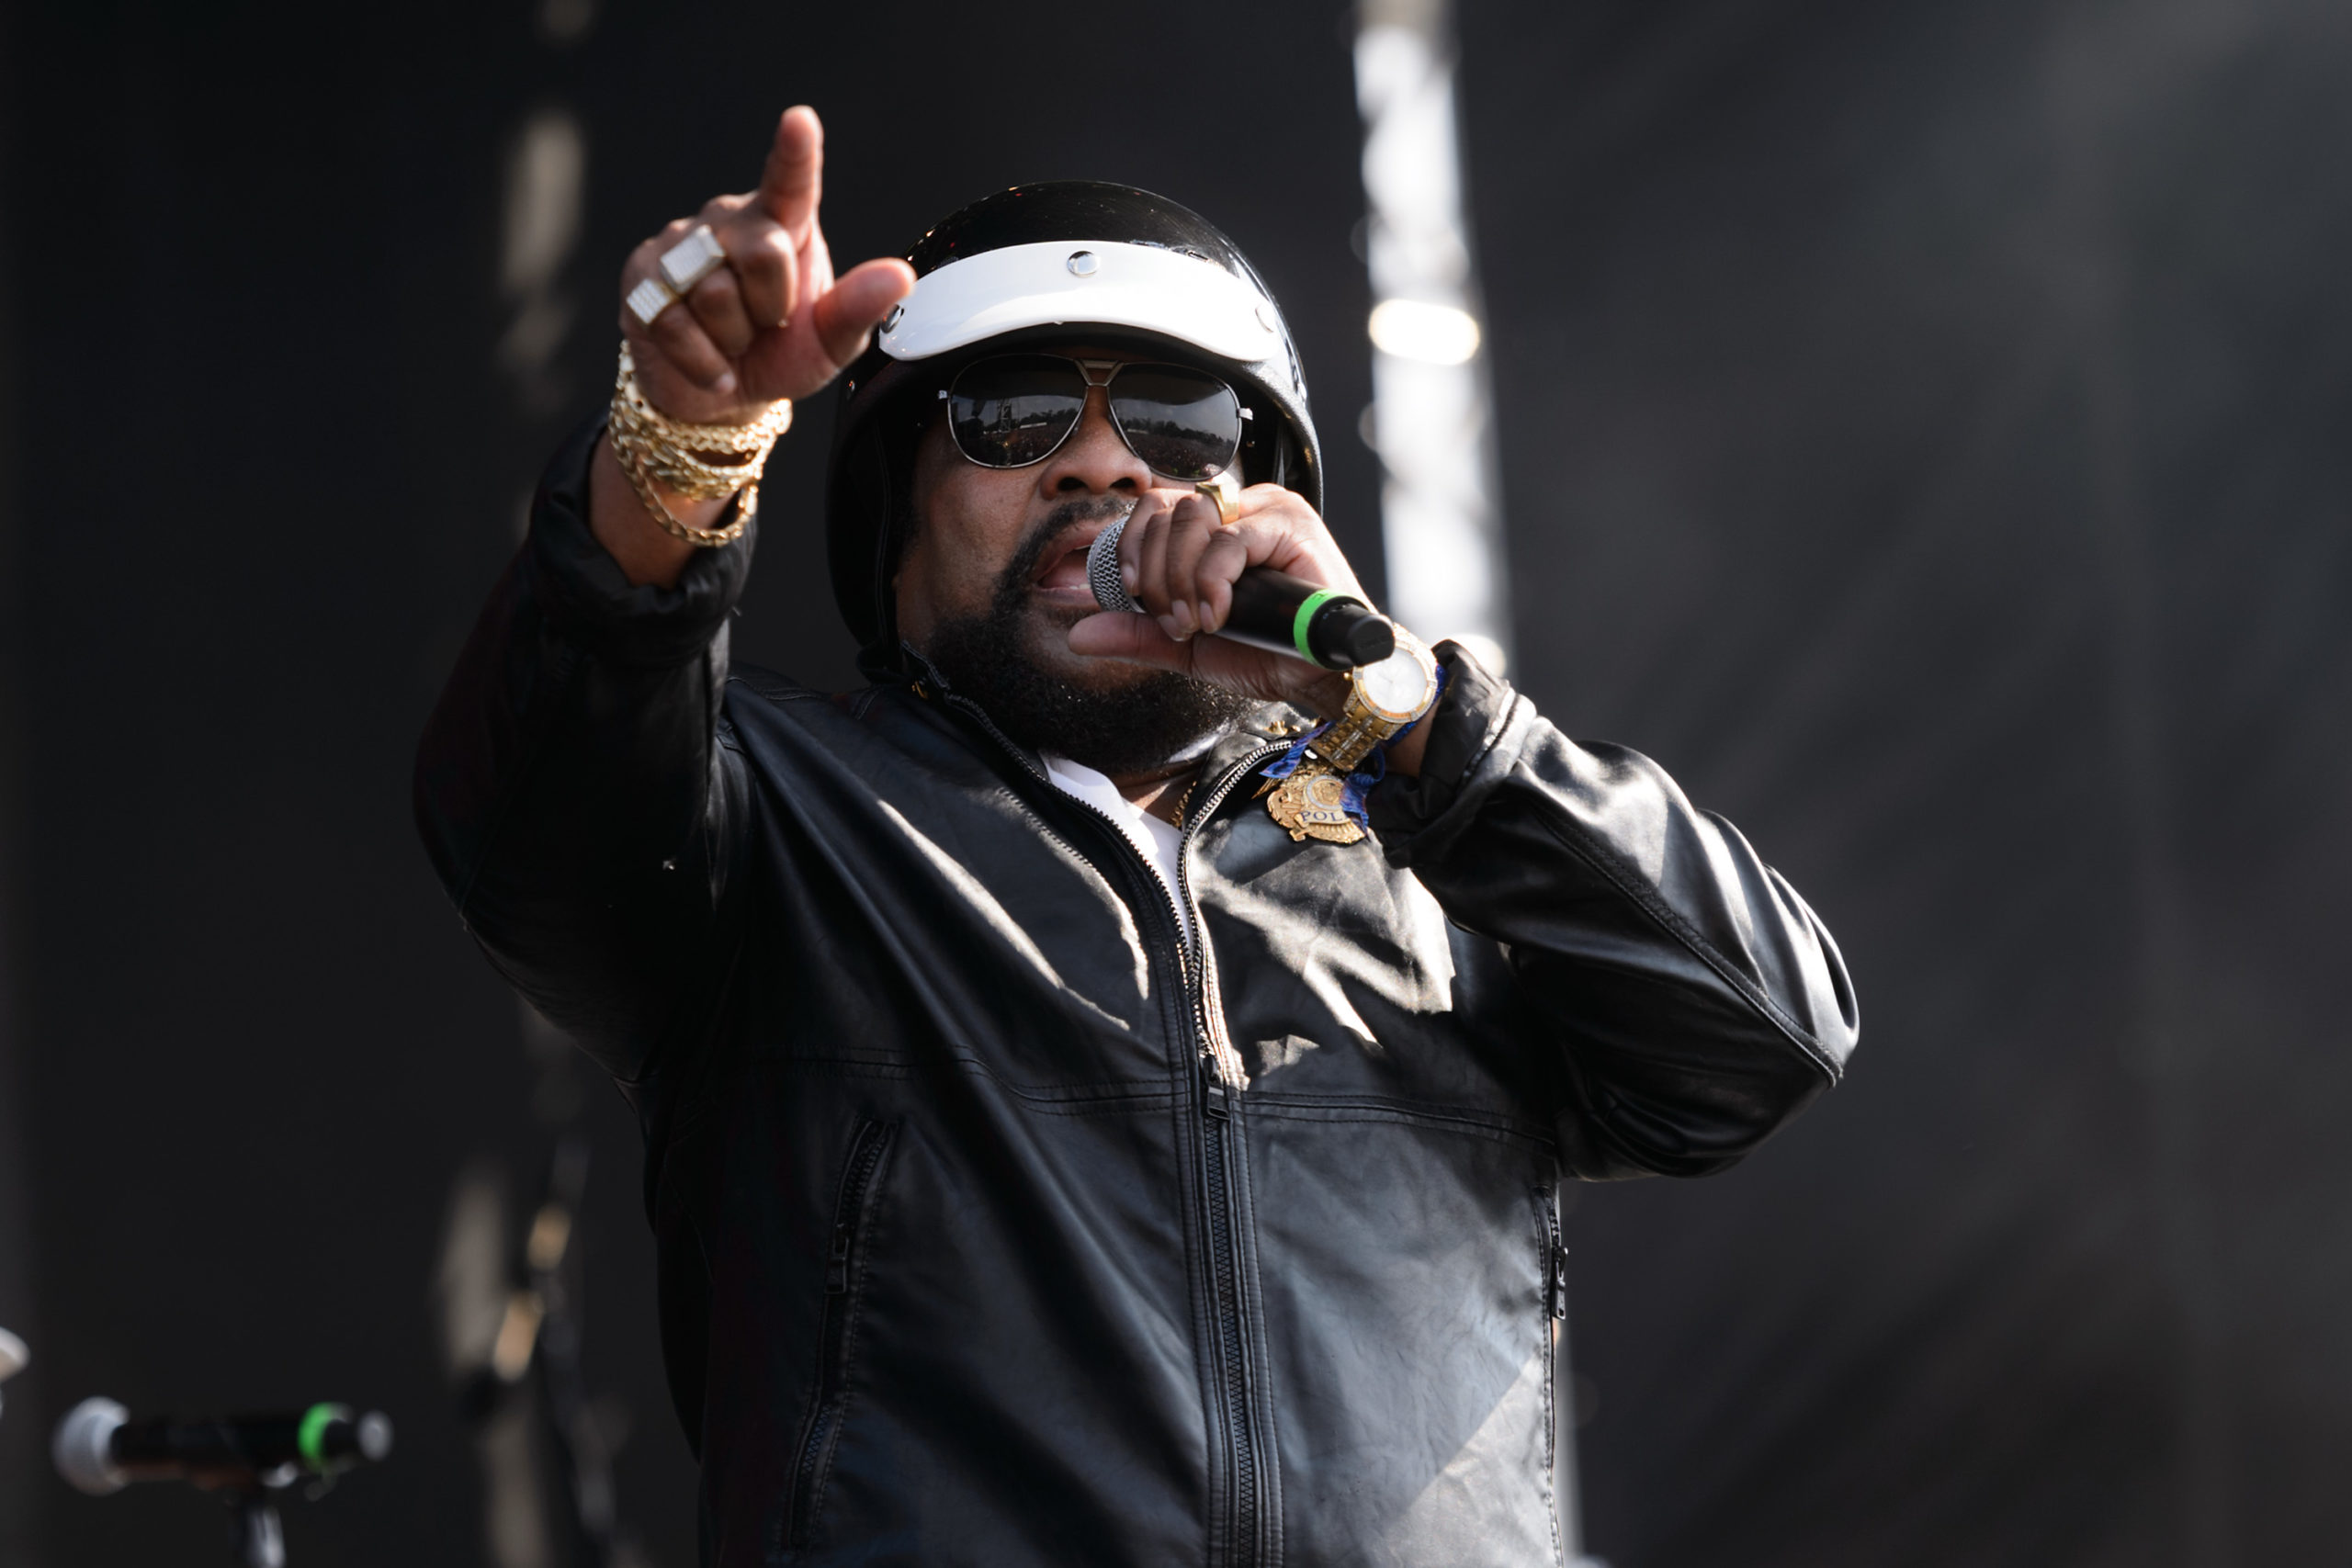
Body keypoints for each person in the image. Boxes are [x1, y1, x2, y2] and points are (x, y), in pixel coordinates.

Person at [415, 106, 1859, 1568]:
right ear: (891, 534)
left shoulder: (1443, 862)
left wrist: (1407, 709)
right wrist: (685, 439)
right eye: (1012, 415)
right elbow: (535, 797)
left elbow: (1760, 1043)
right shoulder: (775, 819)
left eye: (1180, 425)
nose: (1104, 468)